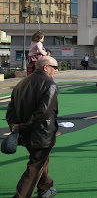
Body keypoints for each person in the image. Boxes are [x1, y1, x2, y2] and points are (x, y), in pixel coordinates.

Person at [6, 56, 59, 198]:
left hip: (27, 133)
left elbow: (10, 109)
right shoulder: (49, 84)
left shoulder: (22, 83)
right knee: (35, 166)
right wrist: (23, 127)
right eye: (54, 67)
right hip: (42, 133)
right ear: (45, 67)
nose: (57, 70)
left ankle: (45, 188)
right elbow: (43, 113)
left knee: (41, 160)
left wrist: (14, 125)